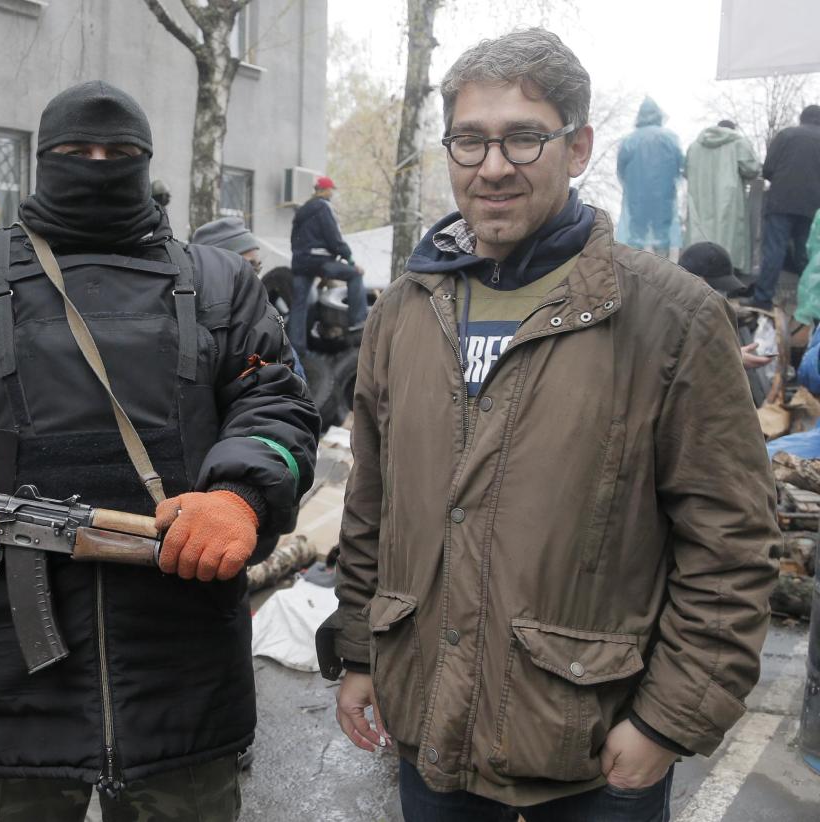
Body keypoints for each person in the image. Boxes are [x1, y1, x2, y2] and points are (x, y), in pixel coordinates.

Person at [317, 29, 778, 822]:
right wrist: (360, 652)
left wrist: (668, 719)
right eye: (470, 139)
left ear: (578, 147)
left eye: (524, 137)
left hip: (591, 755)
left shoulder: (669, 318)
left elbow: (731, 545)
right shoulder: (402, 313)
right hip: (430, 736)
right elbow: (372, 506)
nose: (493, 165)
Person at [0, 81, 319, 821]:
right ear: (44, 161)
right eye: (77, 152)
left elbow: (281, 407)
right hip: (4, 691)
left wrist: (241, 493)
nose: (99, 165)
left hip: (184, 685)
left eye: (121, 154)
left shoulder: (220, 285)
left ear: (147, 162)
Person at [190, 218, 307, 431]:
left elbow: (295, 394)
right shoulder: (191, 329)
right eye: (245, 266)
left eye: (256, 266)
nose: (253, 276)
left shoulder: (267, 321)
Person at [287, 176, 368, 357]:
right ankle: (357, 323)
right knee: (355, 275)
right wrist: (350, 260)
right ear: (324, 190)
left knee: (299, 305)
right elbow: (334, 238)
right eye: (331, 189)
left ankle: (295, 350)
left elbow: (293, 239)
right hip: (320, 260)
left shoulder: (301, 210)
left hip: (301, 262)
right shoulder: (324, 207)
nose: (332, 193)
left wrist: (300, 257)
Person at [751, 105, 820, 310]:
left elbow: (768, 168)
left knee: (774, 250)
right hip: (812, 207)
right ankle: (810, 303)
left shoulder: (786, 135)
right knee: (806, 255)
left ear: (802, 118)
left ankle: (763, 299)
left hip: (781, 202)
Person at [678, 241, 773, 369]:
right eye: (715, 288)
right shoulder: (671, 317)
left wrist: (731, 355)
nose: (722, 296)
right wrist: (728, 359)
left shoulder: (700, 314)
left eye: (724, 291)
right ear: (694, 280)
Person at [684, 120, 761, 273]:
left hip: (700, 198)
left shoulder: (694, 147)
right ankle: (727, 276)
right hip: (730, 200)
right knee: (728, 238)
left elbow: (686, 172)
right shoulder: (738, 143)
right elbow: (752, 168)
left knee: (701, 235)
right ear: (733, 130)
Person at [616, 97, 684, 257]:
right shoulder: (669, 138)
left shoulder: (630, 140)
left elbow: (621, 168)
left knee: (636, 234)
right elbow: (680, 164)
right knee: (663, 233)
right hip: (664, 194)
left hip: (637, 195)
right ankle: (663, 271)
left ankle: (635, 271)